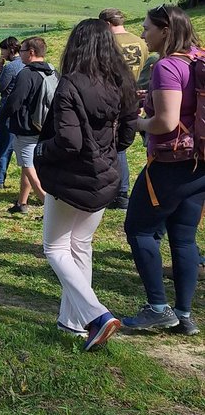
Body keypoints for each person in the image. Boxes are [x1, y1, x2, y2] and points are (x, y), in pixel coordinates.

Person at [35, 20, 139, 350]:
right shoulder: (122, 83)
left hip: (71, 179)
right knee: (80, 246)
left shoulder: (70, 85)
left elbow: (68, 140)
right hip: (106, 176)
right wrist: (105, 155)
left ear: (76, 46)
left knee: (54, 248)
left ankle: (96, 315)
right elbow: (127, 134)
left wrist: (40, 151)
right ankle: (73, 322)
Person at [122, 4, 204, 336]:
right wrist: (153, 98)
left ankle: (157, 308)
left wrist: (137, 121)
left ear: (166, 31)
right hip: (200, 163)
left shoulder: (166, 66)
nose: (143, 34)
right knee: (184, 239)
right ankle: (184, 315)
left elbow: (166, 122)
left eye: (147, 28)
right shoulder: (198, 59)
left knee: (139, 230)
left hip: (170, 165)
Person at [0, 37, 58, 216]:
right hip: (47, 125)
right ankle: (22, 202)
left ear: (31, 52)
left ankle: (49, 208)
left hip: (27, 127)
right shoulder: (53, 71)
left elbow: (14, 102)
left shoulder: (26, 73)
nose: (20, 53)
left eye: (22, 50)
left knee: (28, 165)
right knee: (28, 164)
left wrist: (0, 120)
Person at [99, 9, 149, 210]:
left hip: (113, 96)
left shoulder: (108, 43)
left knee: (113, 144)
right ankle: (121, 191)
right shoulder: (141, 42)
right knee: (121, 144)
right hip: (134, 96)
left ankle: (118, 191)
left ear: (106, 23)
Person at [0, 36, 24, 188]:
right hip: (22, 112)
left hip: (7, 110)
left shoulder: (11, 67)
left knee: (2, 145)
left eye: (3, 50)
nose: (1, 53)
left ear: (10, 49)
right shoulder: (25, 64)